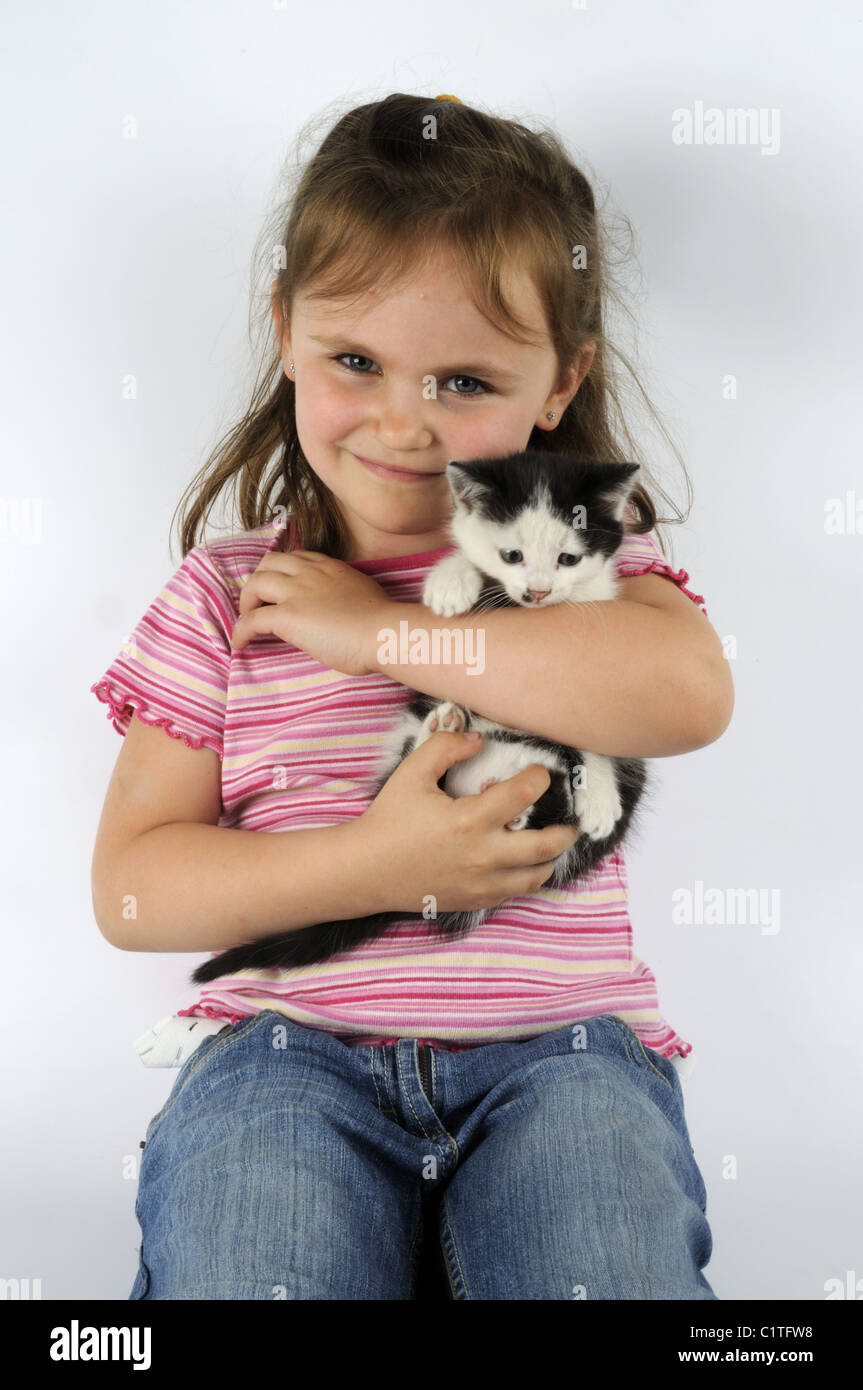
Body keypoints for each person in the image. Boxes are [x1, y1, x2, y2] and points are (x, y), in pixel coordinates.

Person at [90, 93, 733, 1300]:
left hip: (565, 1059)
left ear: (558, 385)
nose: (402, 420)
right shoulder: (227, 593)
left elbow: (686, 693)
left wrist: (376, 629)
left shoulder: (586, 572)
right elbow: (133, 888)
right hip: (283, 1061)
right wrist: (382, 867)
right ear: (285, 332)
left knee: (605, 1263)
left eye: (463, 380)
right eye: (355, 360)